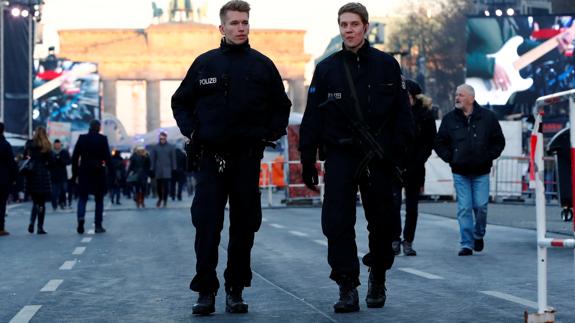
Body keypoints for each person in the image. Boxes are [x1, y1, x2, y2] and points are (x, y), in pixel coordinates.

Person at [172, 0, 291, 315]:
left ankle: (235, 289)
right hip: (211, 158)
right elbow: (180, 102)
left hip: (246, 158)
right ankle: (206, 291)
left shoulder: (262, 66)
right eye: (235, 23)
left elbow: (282, 106)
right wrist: (194, 133)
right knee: (207, 226)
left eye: (245, 22)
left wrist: (268, 133)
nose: (241, 28)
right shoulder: (204, 64)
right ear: (221, 28)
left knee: (244, 227)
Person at [299, 3, 414, 313]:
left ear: (365, 26)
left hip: (378, 157)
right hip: (340, 155)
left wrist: (401, 155)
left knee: (384, 224)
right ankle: (347, 285)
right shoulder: (326, 68)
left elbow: (402, 115)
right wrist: (307, 159)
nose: (348, 29)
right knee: (336, 223)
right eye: (343, 24)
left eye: (353, 24)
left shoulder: (387, 65)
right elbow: (312, 118)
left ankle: (378, 274)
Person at [434, 84, 505, 256]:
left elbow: (499, 141)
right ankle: (466, 243)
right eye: (456, 95)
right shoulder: (450, 119)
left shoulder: (488, 117)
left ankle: (478, 234)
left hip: (481, 171)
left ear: (471, 98)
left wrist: (488, 156)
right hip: (460, 172)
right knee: (464, 208)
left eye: (461, 95)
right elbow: (439, 142)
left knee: (481, 206)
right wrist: (450, 158)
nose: (457, 98)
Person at [392, 80, 437, 256]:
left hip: (415, 167)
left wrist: (418, 161)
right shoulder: (394, 113)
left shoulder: (425, 115)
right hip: (395, 166)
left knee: (412, 207)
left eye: (408, 95)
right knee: (393, 204)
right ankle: (394, 239)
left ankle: (408, 241)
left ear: (414, 96)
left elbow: (429, 141)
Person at [72, 120, 112, 234]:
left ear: (89, 127)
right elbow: (108, 158)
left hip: (84, 171)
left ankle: (81, 218)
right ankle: (98, 225)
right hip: (98, 171)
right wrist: (112, 173)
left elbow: (75, 157)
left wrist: (75, 174)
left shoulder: (82, 138)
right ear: (99, 128)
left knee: (82, 197)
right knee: (99, 199)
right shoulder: (102, 139)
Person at [24, 126, 54, 234]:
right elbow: (52, 161)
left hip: (31, 176)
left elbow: (25, 157)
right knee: (41, 204)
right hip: (43, 177)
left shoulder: (29, 144)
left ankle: (32, 222)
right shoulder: (46, 145)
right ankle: (40, 227)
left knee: (35, 202)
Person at [149, 131, 176, 208]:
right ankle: (160, 198)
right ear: (159, 138)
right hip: (158, 170)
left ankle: (165, 200)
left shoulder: (171, 147)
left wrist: (174, 168)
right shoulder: (155, 147)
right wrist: (152, 168)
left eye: (163, 138)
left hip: (167, 169)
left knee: (166, 186)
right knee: (158, 186)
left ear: (166, 138)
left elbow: (173, 159)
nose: (162, 140)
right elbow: (153, 159)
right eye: (161, 138)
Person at [0, 122, 18, 236]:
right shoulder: (5, 144)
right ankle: (0, 228)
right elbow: (12, 163)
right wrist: (14, 178)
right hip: (2, 179)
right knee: (1, 204)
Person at [50, 139, 71, 211]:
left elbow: (68, 161)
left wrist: (61, 160)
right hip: (54, 175)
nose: (57, 145)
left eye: (58, 144)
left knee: (63, 190)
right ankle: (54, 204)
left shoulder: (64, 152)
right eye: (56, 144)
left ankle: (62, 203)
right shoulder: (51, 152)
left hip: (62, 174)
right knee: (54, 192)